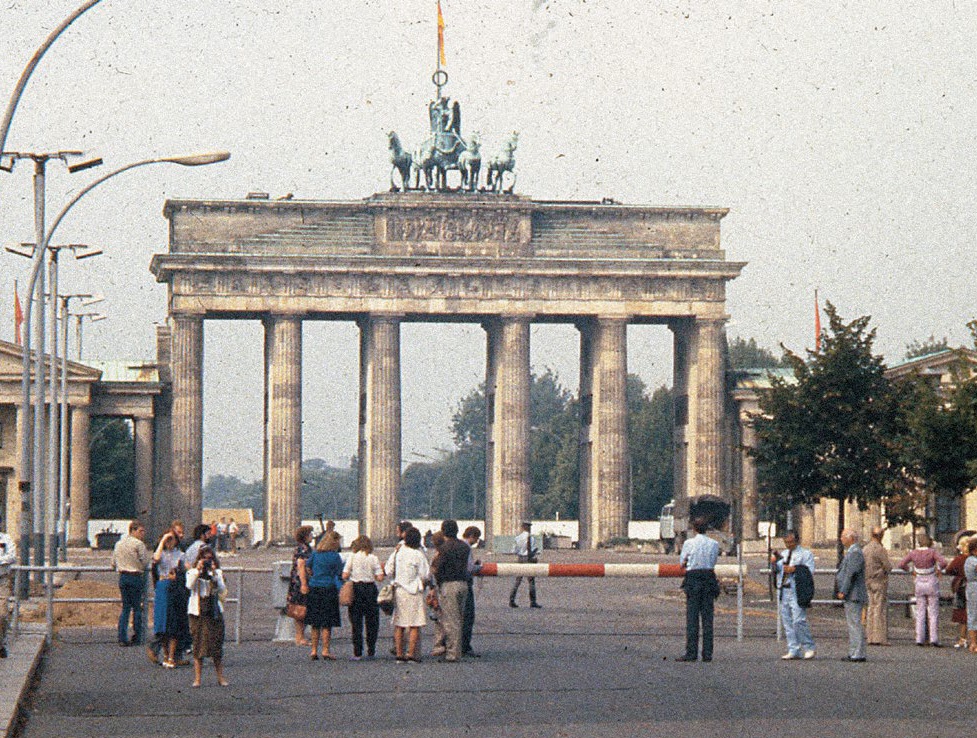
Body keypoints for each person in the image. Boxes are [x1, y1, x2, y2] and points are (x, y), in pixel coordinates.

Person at [676, 516, 720, 662]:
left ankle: (691, 652)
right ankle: (707, 653)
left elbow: (682, 563)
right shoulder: (714, 543)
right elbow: (713, 561)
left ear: (694, 529)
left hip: (693, 579)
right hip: (708, 578)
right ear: (706, 529)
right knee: (708, 618)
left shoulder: (689, 543)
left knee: (692, 617)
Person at [186, 546, 228, 687]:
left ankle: (220, 677)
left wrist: (215, 574)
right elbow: (189, 586)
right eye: (205, 559)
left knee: (216, 646)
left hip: (213, 611)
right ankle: (197, 679)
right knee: (198, 645)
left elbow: (221, 589)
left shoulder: (217, 573)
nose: (207, 562)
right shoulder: (193, 572)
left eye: (210, 559)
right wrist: (198, 571)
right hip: (198, 612)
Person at [898, 532, 948, 646]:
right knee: (933, 612)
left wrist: (911, 569)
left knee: (920, 611)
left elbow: (901, 564)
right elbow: (944, 562)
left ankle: (919, 638)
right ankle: (933, 638)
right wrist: (938, 568)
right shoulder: (932, 552)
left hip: (919, 580)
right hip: (931, 580)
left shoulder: (913, 553)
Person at [300, 531, 343, 660]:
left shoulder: (315, 554)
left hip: (314, 588)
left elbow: (307, 567)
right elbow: (339, 572)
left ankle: (313, 650)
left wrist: (313, 575)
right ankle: (325, 650)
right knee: (326, 623)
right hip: (329, 588)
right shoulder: (335, 556)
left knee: (315, 622)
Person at [774, 529, 816, 660]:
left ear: (797, 541)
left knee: (798, 620)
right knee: (787, 621)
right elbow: (778, 571)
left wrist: (795, 569)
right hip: (784, 589)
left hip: (796, 589)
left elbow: (809, 572)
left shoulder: (805, 554)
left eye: (791, 542)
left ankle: (809, 646)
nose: (788, 545)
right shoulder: (784, 554)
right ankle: (793, 648)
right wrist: (774, 563)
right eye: (786, 542)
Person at [431, 520, 470, 663]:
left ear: (444, 531)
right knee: (459, 618)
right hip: (463, 584)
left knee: (450, 620)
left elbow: (437, 568)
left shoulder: (444, 548)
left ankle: (452, 653)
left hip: (449, 585)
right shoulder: (464, 547)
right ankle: (457, 649)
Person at [390, 527, 429, 662]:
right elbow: (425, 574)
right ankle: (411, 653)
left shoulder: (399, 552)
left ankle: (399, 653)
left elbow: (388, 569)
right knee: (414, 624)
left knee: (399, 623)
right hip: (413, 591)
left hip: (399, 590)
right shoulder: (418, 554)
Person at [342, 535, 384, 660]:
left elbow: (345, 575)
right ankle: (371, 649)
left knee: (356, 622)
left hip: (356, 589)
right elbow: (380, 577)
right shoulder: (373, 558)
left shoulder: (352, 557)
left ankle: (357, 652)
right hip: (370, 589)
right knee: (372, 621)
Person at [111, 520, 151, 647]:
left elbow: (113, 562)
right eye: (140, 531)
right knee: (137, 608)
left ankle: (122, 637)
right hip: (135, 576)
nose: (142, 534)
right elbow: (145, 562)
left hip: (123, 577)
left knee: (125, 608)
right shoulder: (139, 545)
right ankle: (138, 635)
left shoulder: (119, 543)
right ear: (133, 530)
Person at [150, 529, 185, 668]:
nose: (170, 542)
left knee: (173, 623)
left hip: (174, 587)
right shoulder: (161, 552)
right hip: (162, 586)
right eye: (168, 540)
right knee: (162, 624)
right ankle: (165, 655)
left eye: (172, 539)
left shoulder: (180, 554)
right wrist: (163, 540)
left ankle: (172, 656)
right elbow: (156, 559)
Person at [835, 528, 868, 662]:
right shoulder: (853, 552)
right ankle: (854, 651)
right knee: (852, 624)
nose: (841, 539)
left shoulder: (855, 553)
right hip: (852, 593)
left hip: (853, 593)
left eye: (843, 536)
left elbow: (851, 573)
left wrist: (843, 590)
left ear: (851, 538)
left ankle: (857, 653)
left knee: (855, 624)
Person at [862, 526, 892, 646]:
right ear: (881, 536)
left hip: (867, 580)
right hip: (879, 581)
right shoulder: (880, 549)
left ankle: (869, 636)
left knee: (870, 608)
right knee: (879, 609)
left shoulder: (865, 549)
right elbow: (888, 566)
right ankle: (879, 637)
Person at [286, 525, 314, 647]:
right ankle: (300, 637)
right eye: (310, 534)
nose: (312, 536)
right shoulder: (304, 549)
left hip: (296, 582)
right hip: (301, 582)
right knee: (301, 609)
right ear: (306, 536)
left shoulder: (302, 548)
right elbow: (301, 566)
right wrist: (303, 584)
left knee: (300, 610)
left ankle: (300, 636)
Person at [945, 534, 970, 649]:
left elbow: (949, 570)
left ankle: (963, 638)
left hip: (961, 587)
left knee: (962, 612)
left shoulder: (959, 559)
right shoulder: (973, 559)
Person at [461, 526, 483, 657]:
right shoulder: (467, 547)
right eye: (477, 537)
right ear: (472, 536)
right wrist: (479, 567)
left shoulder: (459, 544)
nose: (477, 541)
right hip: (465, 583)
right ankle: (465, 646)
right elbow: (469, 568)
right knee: (468, 616)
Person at [509, 521, 541, 608]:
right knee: (531, 581)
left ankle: (512, 600)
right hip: (528, 559)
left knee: (518, 581)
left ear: (522, 527)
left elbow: (514, 550)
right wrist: (534, 554)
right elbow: (530, 550)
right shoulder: (530, 538)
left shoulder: (517, 538)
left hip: (520, 558)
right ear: (528, 527)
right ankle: (533, 601)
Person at [964, 539, 977, 652]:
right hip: (974, 588)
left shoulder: (970, 559)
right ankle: (973, 643)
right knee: (974, 614)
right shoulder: (972, 560)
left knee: (973, 614)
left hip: (972, 588)